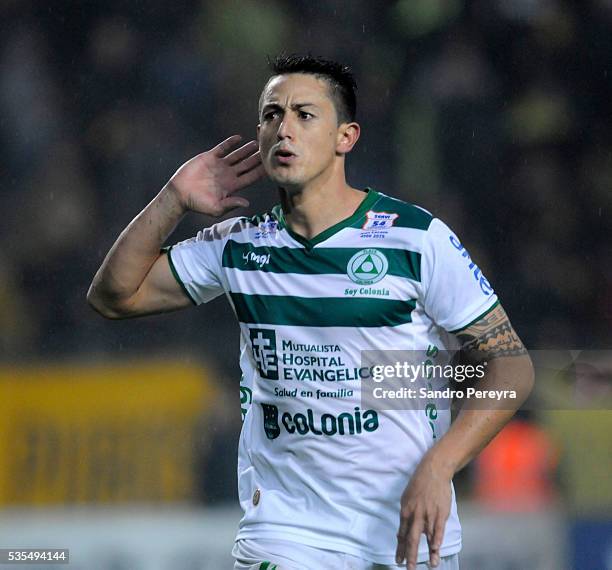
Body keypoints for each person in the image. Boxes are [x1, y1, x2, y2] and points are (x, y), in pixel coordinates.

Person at [88, 55, 534, 570]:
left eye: (304, 114)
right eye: (271, 115)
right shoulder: (240, 246)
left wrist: (440, 467)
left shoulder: (415, 239)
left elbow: (511, 367)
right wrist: (173, 198)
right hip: (285, 535)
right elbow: (113, 296)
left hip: (407, 534)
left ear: (346, 137)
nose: (284, 128)